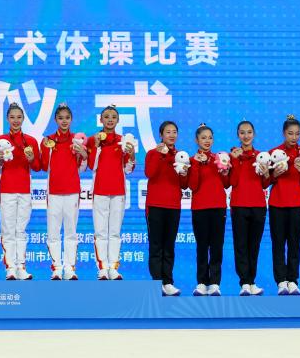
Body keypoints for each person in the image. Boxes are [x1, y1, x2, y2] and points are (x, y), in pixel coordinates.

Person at [0, 102, 40, 280]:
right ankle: (10, 267)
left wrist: (32, 158)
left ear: (24, 119)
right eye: (12, 117)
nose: (16, 120)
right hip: (6, 189)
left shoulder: (31, 141)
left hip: (24, 190)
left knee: (21, 230)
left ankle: (21, 266)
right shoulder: (0, 140)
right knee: (8, 230)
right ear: (7, 119)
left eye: (19, 117)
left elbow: (37, 167)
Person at [39, 102, 87, 281]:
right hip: (54, 192)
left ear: (71, 119)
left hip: (72, 191)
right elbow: (44, 167)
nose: (64, 121)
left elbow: (82, 168)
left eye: (67, 118)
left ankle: (70, 268)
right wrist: (46, 149)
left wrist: (83, 154)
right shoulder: (48, 140)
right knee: (53, 232)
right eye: (60, 118)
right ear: (55, 120)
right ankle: (56, 268)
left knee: (71, 232)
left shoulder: (78, 140)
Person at [87, 105, 135, 281]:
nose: (110, 120)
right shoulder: (93, 140)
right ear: (100, 119)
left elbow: (128, 169)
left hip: (118, 192)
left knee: (114, 232)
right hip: (100, 190)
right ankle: (102, 268)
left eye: (113, 117)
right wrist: (97, 146)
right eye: (106, 116)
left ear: (118, 120)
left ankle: (113, 267)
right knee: (100, 232)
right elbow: (91, 165)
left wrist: (132, 154)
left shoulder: (123, 141)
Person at [267, 115, 300, 296]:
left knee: (294, 243)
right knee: (278, 243)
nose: (294, 137)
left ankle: (293, 280)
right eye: (290, 133)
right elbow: (266, 181)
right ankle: (281, 281)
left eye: (297, 134)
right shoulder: (273, 153)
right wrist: (275, 175)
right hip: (277, 203)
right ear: (283, 133)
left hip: (297, 204)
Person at [145, 121, 189, 296]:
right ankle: (157, 283)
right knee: (156, 246)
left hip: (173, 206)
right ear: (161, 135)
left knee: (169, 246)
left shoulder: (181, 156)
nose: (171, 135)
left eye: (174, 132)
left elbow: (184, 185)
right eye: (168, 132)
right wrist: (160, 154)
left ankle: (168, 282)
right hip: (155, 206)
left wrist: (184, 174)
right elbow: (150, 173)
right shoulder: (152, 153)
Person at [229, 120, 270, 296]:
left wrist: (266, 173)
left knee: (254, 246)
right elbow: (232, 182)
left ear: (254, 134)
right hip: (239, 205)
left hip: (258, 206)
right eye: (242, 132)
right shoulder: (232, 156)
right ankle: (244, 283)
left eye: (249, 132)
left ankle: (252, 281)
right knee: (240, 245)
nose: (246, 136)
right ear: (238, 135)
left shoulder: (262, 156)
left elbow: (265, 183)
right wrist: (236, 161)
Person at [188, 124, 229, 296]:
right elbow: (192, 185)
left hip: (218, 207)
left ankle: (215, 283)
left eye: (210, 137)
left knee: (217, 246)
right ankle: (201, 282)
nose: (207, 141)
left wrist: (225, 172)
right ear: (196, 140)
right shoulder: (192, 160)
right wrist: (197, 164)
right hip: (200, 208)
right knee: (202, 246)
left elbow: (226, 184)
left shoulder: (219, 158)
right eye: (203, 138)